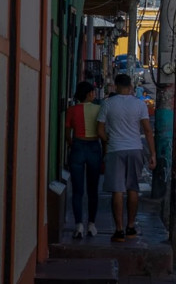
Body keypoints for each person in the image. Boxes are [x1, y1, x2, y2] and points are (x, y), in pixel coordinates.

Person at [97, 73, 156, 242]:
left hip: (115, 150)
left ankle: (119, 230)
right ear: (130, 87)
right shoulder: (139, 105)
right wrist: (152, 154)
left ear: (115, 86)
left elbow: (100, 131)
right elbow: (147, 130)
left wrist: (110, 140)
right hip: (135, 149)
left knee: (117, 191)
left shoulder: (107, 104)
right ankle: (131, 227)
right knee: (133, 188)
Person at [65, 81, 102, 239]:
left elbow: (67, 132)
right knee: (93, 189)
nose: (94, 94)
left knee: (78, 190)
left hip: (78, 146)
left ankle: (78, 225)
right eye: (92, 92)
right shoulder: (99, 109)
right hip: (93, 146)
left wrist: (72, 144)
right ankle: (91, 225)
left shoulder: (72, 110)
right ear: (89, 94)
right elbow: (102, 130)